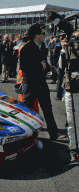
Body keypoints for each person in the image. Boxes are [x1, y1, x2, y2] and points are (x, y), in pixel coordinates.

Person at [20, 23, 60, 141]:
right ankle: (22, 134)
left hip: (41, 84)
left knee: (47, 109)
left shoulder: (41, 47)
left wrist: (47, 67)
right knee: (26, 110)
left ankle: (54, 133)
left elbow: (45, 65)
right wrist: (39, 66)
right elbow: (24, 66)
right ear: (37, 35)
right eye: (43, 33)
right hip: (31, 84)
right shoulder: (27, 48)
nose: (45, 35)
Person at [64, 31, 79, 163]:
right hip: (72, 89)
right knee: (72, 122)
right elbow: (62, 66)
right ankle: (74, 149)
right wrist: (66, 47)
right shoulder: (68, 48)